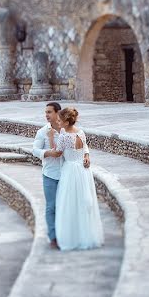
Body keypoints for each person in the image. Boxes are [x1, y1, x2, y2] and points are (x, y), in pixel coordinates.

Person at [49, 107, 104, 251]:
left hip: (70, 171)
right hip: (83, 170)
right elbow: (85, 149)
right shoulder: (81, 132)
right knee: (84, 202)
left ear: (66, 122)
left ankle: (72, 238)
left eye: (60, 120)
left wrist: (46, 149)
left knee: (70, 203)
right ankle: (86, 235)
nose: (58, 122)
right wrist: (86, 157)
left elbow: (57, 153)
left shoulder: (64, 136)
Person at [32, 102, 63, 249]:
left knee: (66, 206)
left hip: (66, 174)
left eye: (49, 112)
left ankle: (66, 233)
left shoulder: (66, 130)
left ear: (58, 113)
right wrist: (48, 153)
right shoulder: (42, 131)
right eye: (46, 112)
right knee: (51, 207)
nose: (46, 115)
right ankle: (53, 237)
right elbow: (35, 150)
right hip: (50, 174)